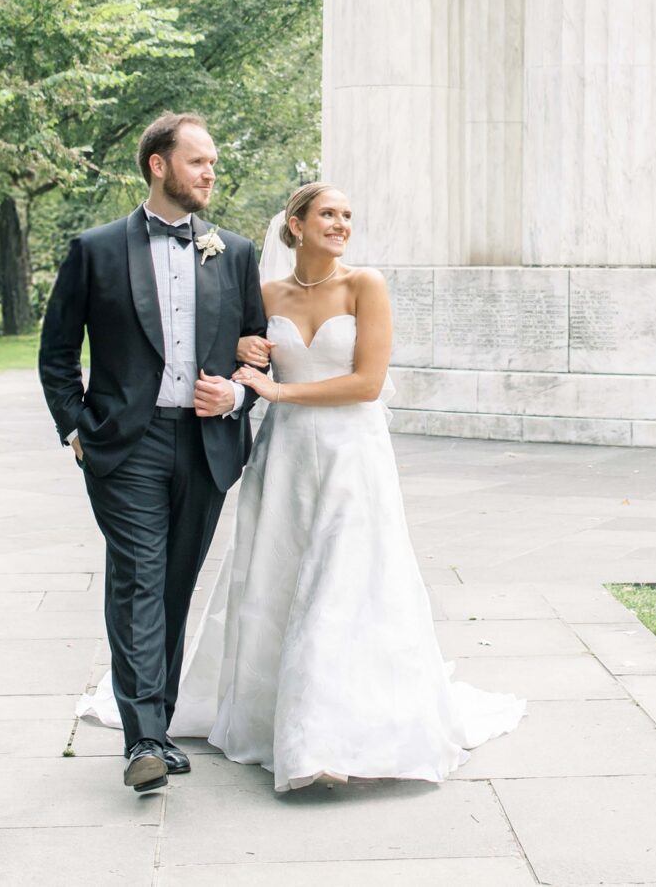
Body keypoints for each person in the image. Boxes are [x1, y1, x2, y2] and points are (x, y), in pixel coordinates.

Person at [184, 180, 525, 791]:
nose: (340, 224)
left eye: (347, 216)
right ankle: (271, 719)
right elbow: (239, 362)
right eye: (328, 214)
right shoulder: (266, 294)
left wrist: (280, 390)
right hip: (285, 457)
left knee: (341, 586)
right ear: (295, 223)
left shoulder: (366, 285)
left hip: (352, 456)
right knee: (278, 579)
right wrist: (244, 349)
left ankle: (327, 736)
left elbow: (368, 383)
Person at [36, 111, 268, 793]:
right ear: (158, 165)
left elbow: (254, 351)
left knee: (173, 583)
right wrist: (76, 426)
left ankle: (157, 725)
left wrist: (235, 399)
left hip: (205, 446)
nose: (210, 173)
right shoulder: (96, 248)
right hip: (125, 445)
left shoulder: (237, 251)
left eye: (214, 163)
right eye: (198, 161)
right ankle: (142, 736)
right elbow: (56, 353)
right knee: (138, 576)